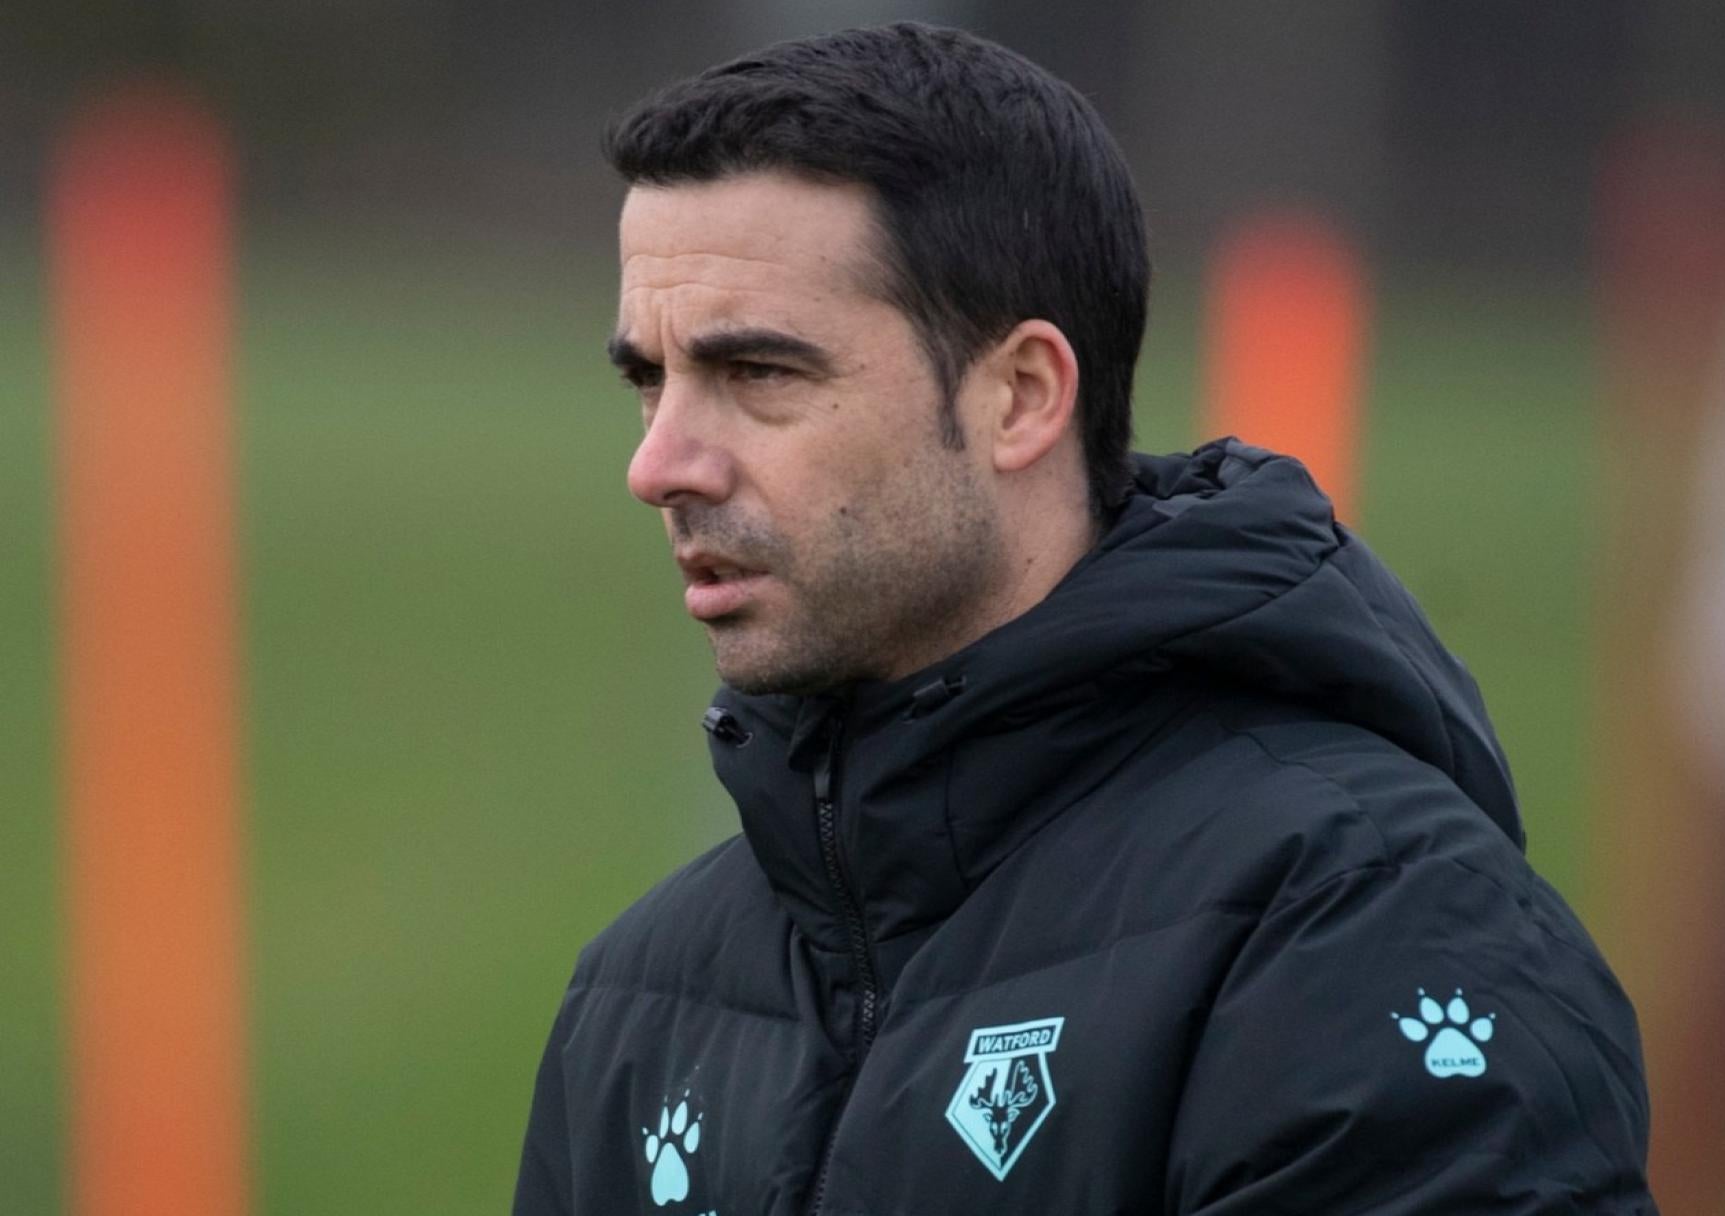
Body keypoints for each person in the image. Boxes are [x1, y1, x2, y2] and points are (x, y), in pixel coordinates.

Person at [514, 22, 1653, 1215]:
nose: (662, 463)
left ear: (1020, 397)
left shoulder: (1360, 923)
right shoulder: (637, 1000)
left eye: (759, 374)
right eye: (651, 378)